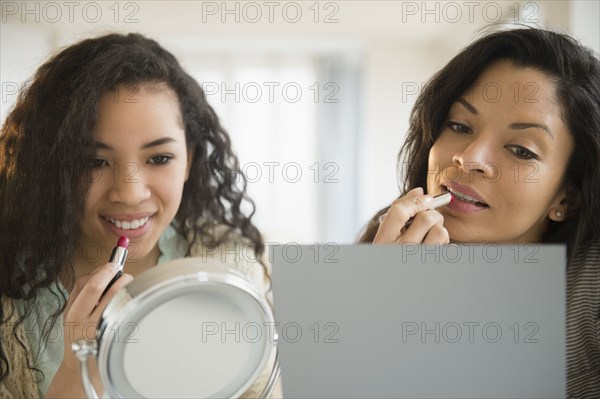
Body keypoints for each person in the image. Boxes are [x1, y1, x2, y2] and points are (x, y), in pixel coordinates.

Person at [0, 33, 277, 398]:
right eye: (94, 161)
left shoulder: (237, 264)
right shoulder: (11, 301)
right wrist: (79, 370)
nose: (130, 193)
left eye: (159, 158)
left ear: (189, 161)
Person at [359, 27, 600, 397]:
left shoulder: (588, 289)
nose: (468, 157)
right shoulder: (386, 244)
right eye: (459, 125)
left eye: (521, 150)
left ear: (567, 200)